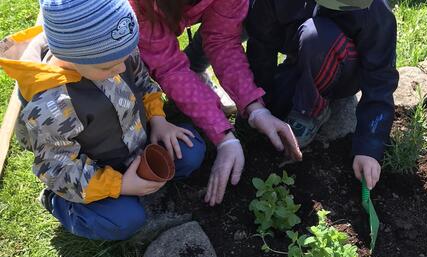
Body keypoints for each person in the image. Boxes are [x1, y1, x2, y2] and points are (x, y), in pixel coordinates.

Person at [0, 0, 206, 241]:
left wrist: (158, 119)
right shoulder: (52, 105)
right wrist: (119, 185)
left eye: (126, 57)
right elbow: (59, 169)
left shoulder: (115, 51)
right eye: (108, 67)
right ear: (71, 56)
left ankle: (133, 182)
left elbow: (143, 83)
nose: (121, 68)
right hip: (93, 170)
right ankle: (60, 204)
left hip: (135, 144)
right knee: (124, 221)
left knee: (191, 151)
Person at [130, 0, 302, 207]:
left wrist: (254, 107)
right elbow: (169, 67)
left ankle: (194, 70)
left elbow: (223, 40)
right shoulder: (136, 6)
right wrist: (223, 136)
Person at [246, 0, 399, 189]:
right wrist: (259, 105)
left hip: (344, 67)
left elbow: (380, 80)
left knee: (316, 36)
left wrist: (369, 148)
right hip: (301, 59)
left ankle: (309, 111)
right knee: (277, 104)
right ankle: (302, 86)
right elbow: (260, 45)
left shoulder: (375, 11)